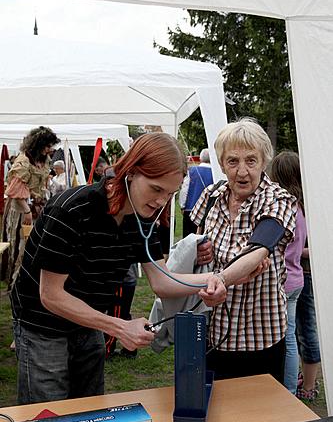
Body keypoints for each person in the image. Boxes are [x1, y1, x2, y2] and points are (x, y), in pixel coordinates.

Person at [11, 132, 228, 405]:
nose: (161, 202)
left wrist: (212, 279)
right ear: (131, 171)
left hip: (87, 320)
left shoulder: (143, 216)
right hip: (43, 324)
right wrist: (119, 327)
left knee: (89, 411)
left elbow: (161, 281)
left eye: (170, 194)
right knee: (47, 418)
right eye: (156, 189)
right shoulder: (73, 209)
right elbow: (51, 296)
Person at [192, 118, 297, 382]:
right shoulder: (211, 196)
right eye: (233, 161)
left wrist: (220, 279)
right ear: (221, 163)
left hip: (259, 337)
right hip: (212, 331)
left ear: (264, 162)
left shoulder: (278, 199)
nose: (242, 171)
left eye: (251, 160)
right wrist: (198, 251)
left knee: (259, 418)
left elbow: (259, 249)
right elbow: (192, 243)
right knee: (214, 414)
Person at [2, 126, 60, 289]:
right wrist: (27, 210)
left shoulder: (44, 159)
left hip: (37, 206)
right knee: (21, 244)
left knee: (35, 243)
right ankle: (15, 282)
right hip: (21, 209)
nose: (50, 150)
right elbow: (14, 191)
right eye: (48, 146)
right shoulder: (23, 161)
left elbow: (42, 183)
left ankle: (29, 280)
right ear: (38, 144)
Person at [269, 151, 307, 394]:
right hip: (296, 278)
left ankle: (288, 390)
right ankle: (289, 387)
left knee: (285, 339)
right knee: (290, 336)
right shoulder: (301, 207)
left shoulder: (284, 208)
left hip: (283, 281)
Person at [296, 242, 321, 400]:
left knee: (307, 331)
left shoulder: (315, 218)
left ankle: (309, 387)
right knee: (300, 332)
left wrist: (294, 251)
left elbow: (320, 248)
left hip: (307, 273)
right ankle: (307, 380)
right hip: (301, 273)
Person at [179, 148, 213, 237]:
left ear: (201, 158)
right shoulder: (214, 173)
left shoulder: (191, 171)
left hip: (190, 209)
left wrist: (182, 205)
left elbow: (184, 189)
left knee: (188, 238)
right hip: (208, 211)